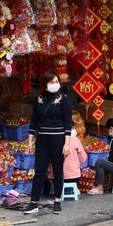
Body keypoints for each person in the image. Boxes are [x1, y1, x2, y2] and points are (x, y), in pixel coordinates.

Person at [26, 71, 73, 215]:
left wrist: (67, 144)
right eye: (51, 82)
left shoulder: (64, 99)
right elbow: (34, 120)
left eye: (56, 82)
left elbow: (67, 123)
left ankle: (57, 201)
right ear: (45, 83)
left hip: (58, 139)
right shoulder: (39, 98)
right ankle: (34, 202)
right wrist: (30, 140)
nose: (54, 85)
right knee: (39, 170)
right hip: (42, 139)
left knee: (58, 171)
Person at [47, 111, 87, 195]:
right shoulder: (76, 140)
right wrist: (77, 163)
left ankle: (54, 190)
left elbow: (49, 158)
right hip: (73, 176)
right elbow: (83, 158)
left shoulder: (54, 140)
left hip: (56, 177)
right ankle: (73, 190)